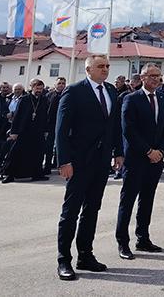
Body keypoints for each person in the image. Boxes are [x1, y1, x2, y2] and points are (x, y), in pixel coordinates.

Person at [54, 54, 123, 281]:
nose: (105, 70)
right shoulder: (74, 92)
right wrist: (64, 161)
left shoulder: (111, 91)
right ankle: (64, 259)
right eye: (100, 66)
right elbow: (61, 130)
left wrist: (118, 152)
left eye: (107, 66)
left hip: (101, 162)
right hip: (78, 162)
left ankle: (85, 254)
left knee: (92, 209)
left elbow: (113, 127)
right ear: (88, 69)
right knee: (71, 212)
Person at [115, 64, 164, 259]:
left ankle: (143, 238)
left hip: (156, 159)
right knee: (128, 200)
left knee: (147, 200)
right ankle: (123, 242)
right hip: (136, 158)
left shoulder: (163, 98)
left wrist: (161, 151)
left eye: (159, 75)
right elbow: (128, 129)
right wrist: (148, 151)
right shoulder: (131, 99)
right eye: (152, 76)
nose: (157, 79)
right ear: (143, 77)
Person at [1, 78, 50, 183]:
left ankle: (37, 174)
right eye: (37, 88)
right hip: (24, 130)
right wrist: (14, 131)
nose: (39, 90)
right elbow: (17, 116)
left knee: (37, 154)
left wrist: (46, 130)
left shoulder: (44, 99)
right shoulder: (25, 99)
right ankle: (10, 175)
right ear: (31, 87)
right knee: (16, 153)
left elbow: (46, 116)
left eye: (41, 88)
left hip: (38, 131)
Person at [45, 77, 67, 174]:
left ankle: (59, 165)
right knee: (49, 146)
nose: (61, 85)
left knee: (60, 146)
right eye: (59, 83)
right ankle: (47, 166)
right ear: (55, 85)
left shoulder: (67, 95)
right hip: (50, 124)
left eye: (63, 83)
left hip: (63, 124)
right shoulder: (49, 95)